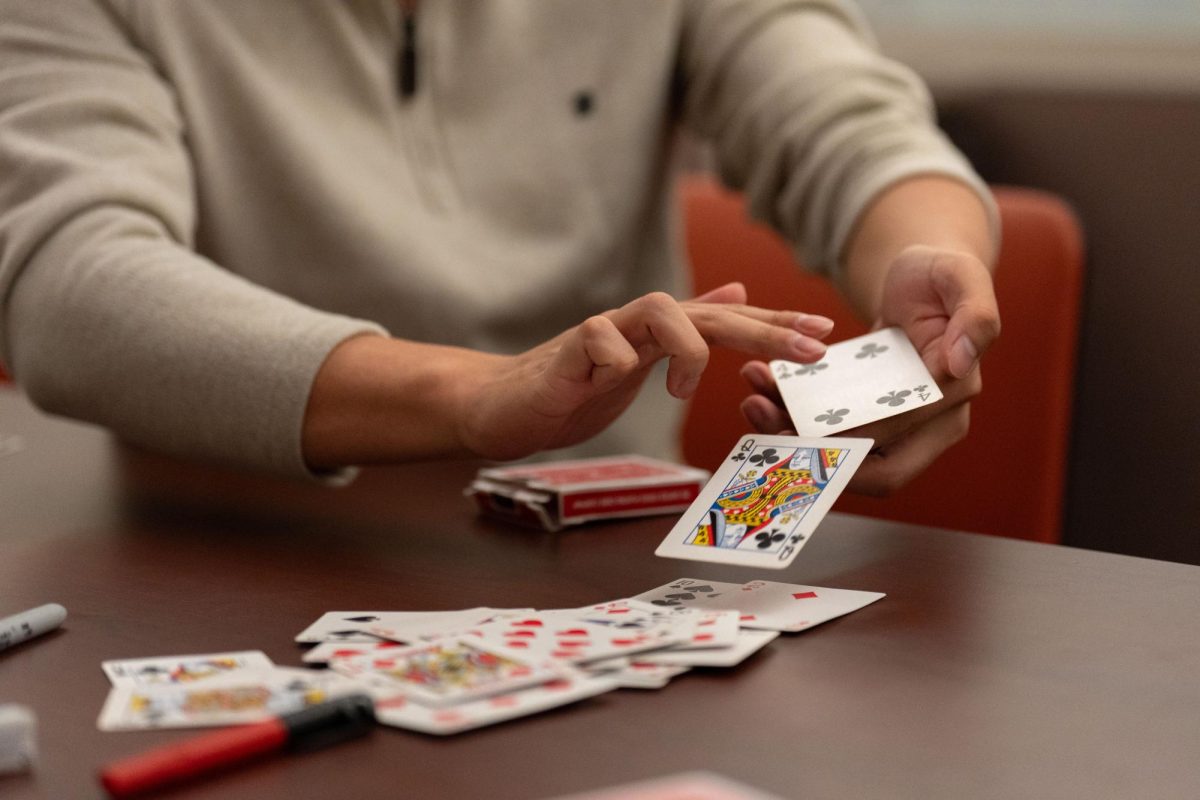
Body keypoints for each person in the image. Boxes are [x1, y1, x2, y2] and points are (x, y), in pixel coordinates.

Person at [0, 1, 999, 494]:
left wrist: (928, 254)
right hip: (236, 555)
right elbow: (75, 285)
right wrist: (478, 394)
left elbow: (843, 119)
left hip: (611, 553)